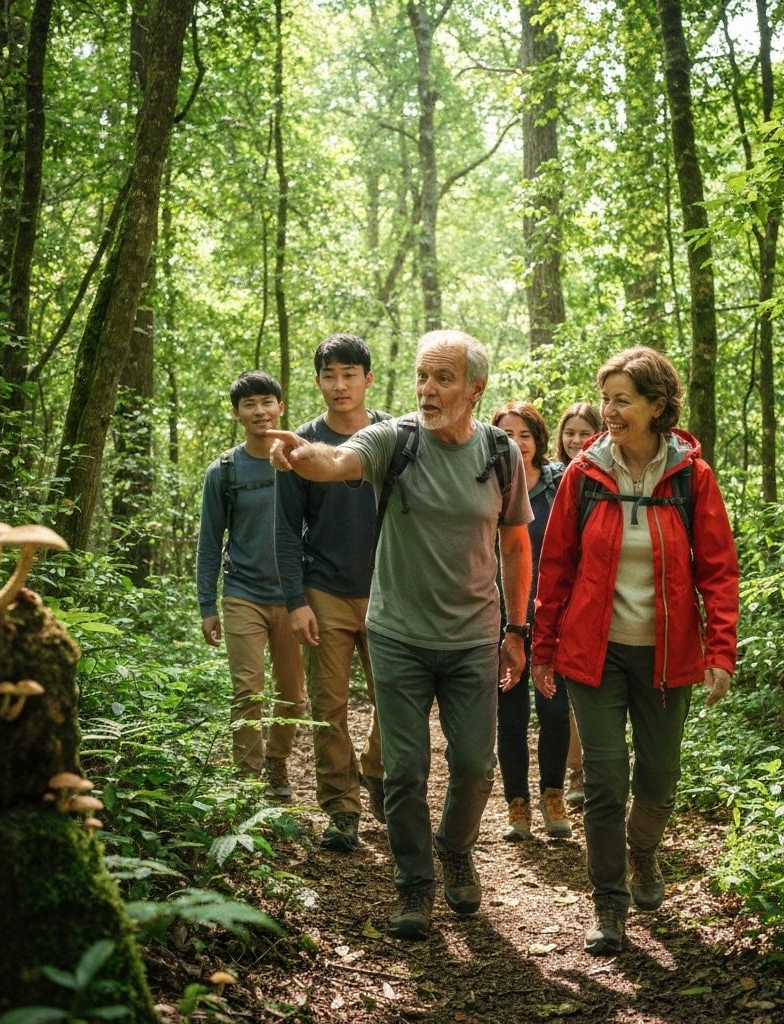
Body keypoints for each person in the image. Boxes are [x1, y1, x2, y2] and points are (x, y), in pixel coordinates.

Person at [268, 330, 533, 942]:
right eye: (421, 376)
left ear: (475, 389)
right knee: (405, 769)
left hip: (474, 636)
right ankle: (414, 883)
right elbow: (338, 460)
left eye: (443, 378)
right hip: (399, 635)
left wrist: (517, 629)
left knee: (475, 766)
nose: (427, 390)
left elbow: (517, 545)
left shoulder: (501, 453)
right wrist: (302, 456)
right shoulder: (396, 439)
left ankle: (455, 848)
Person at [532, 347, 738, 956]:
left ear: (657, 405)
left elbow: (718, 571)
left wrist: (720, 651)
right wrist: (543, 647)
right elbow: (556, 566)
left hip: (667, 657)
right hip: (593, 655)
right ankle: (608, 901)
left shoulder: (692, 477)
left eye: (623, 400)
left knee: (659, 777)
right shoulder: (584, 474)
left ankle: (642, 852)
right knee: (604, 780)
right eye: (606, 400)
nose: (610, 412)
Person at [274, 333, 388, 853]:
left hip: (390, 591)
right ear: (318, 382)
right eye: (329, 376)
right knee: (329, 706)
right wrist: (295, 601)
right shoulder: (300, 443)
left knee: (396, 701)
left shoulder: (393, 435)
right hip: (324, 591)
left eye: (349, 375)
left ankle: (376, 769)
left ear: (368, 378)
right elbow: (284, 527)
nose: (340, 385)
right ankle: (341, 810)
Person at [197, 370, 309, 801]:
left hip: (295, 598)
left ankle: (277, 761)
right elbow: (210, 541)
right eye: (249, 404)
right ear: (237, 413)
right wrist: (207, 605)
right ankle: (246, 783)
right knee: (248, 691)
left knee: (293, 695)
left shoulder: (302, 461)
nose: (260, 411)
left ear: (281, 406)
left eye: (266, 402)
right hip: (243, 594)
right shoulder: (223, 471)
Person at [490, 402, 571, 842]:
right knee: (511, 715)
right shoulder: (488, 483)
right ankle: (517, 805)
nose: (517, 443)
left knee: (555, 711)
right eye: (506, 435)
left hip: (552, 617)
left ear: (538, 439)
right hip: (502, 618)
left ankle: (553, 795)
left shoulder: (558, 484)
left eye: (524, 434)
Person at [553, 402, 604, 809]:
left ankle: (594, 772)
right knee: (568, 699)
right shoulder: (549, 477)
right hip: (557, 598)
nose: (575, 440)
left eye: (584, 432)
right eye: (569, 432)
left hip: (593, 599)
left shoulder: (602, 476)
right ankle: (574, 772)